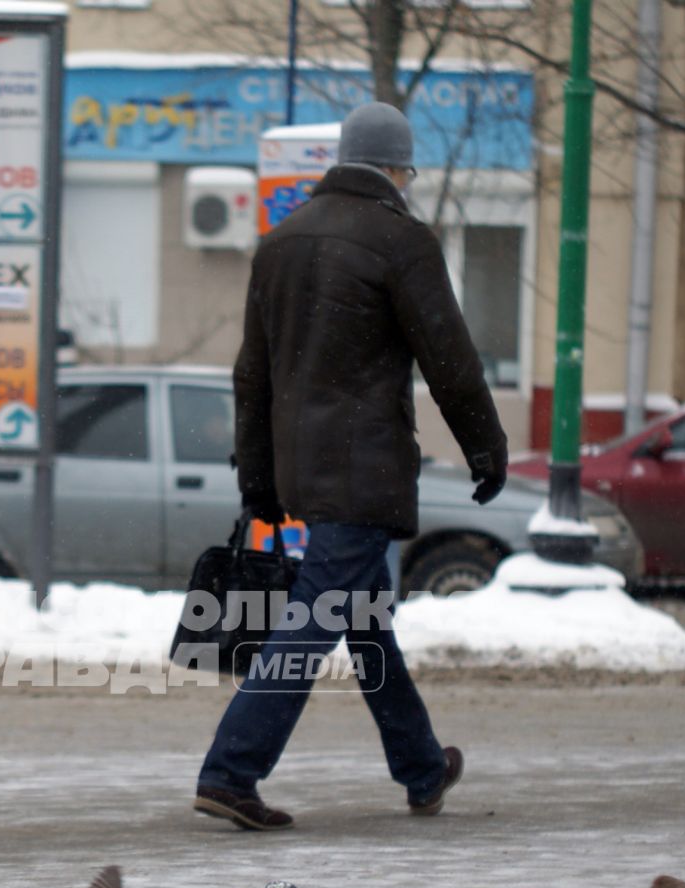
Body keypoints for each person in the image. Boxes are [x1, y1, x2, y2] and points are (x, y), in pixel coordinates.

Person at [193, 101, 508, 832]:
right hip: (363, 470)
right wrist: (485, 447)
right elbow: (449, 360)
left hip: (305, 467)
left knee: (364, 621)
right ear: (398, 169)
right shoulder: (401, 241)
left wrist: (259, 477)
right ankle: (229, 771)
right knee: (315, 620)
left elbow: (253, 374)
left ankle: (421, 766)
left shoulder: (281, 242)